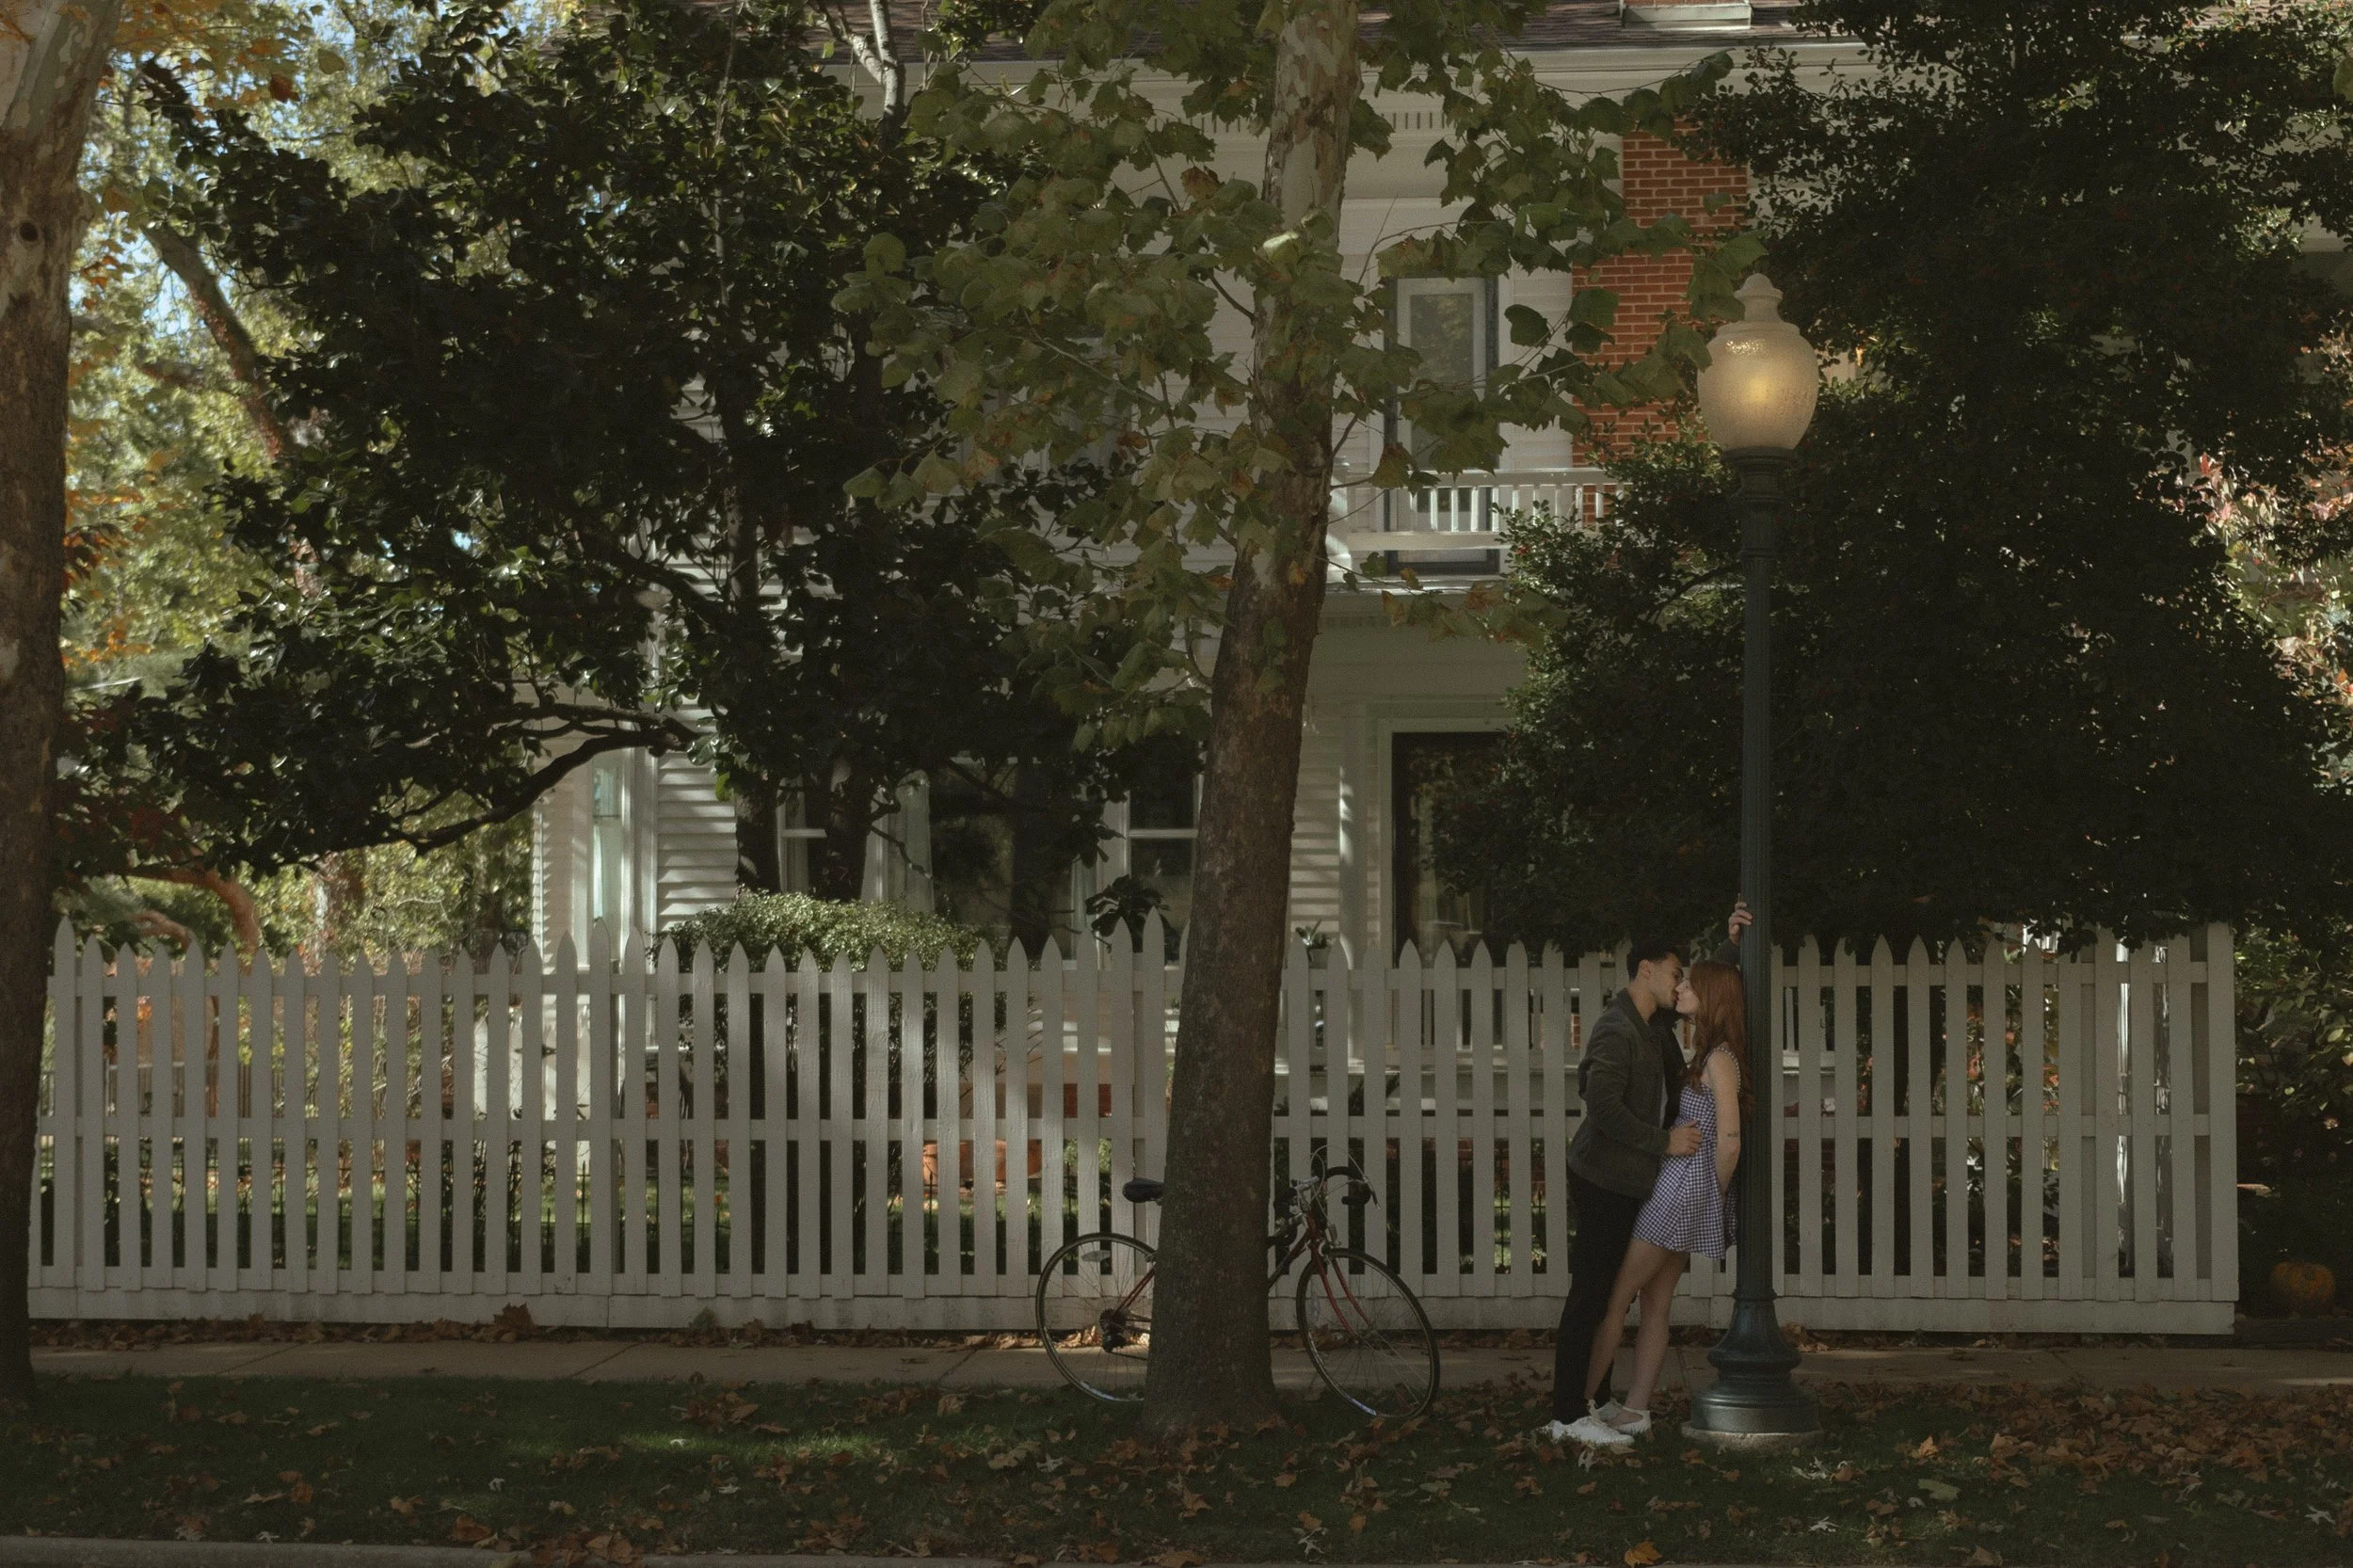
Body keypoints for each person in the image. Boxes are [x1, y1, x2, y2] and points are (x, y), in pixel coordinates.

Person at [1545, 904, 1749, 1444]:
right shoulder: (1617, 1029)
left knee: (1617, 1293)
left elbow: (1712, 997)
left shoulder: (1652, 1022)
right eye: (1675, 972)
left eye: (1685, 976)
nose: (1680, 981)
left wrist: (1729, 949)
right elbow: (1602, 1104)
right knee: (1592, 1294)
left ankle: (1601, 1402)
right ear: (1646, 971)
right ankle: (1567, 1415)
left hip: (1641, 1181)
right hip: (1603, 1178)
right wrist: (1664, 1142)